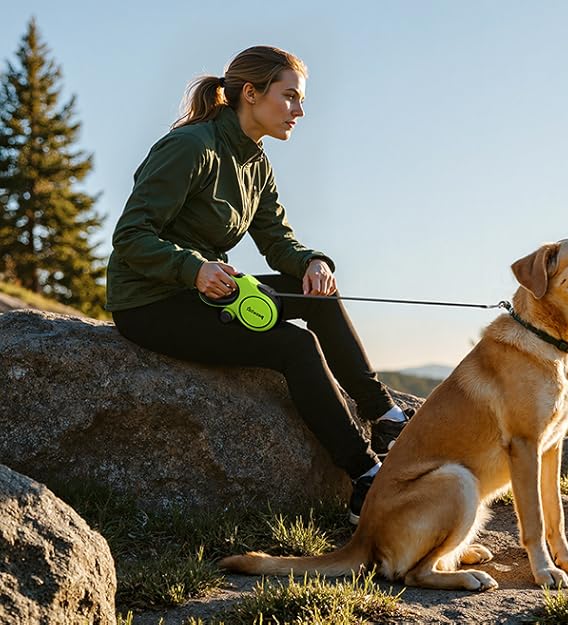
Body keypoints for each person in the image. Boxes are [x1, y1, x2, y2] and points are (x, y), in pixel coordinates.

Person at [106, 46, 406, 524]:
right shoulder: (191, 148)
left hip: (209, 291)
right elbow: (131, 237)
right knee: (295, 345)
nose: (300, 111)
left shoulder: (256, 162)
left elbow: (278, 240)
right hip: (152, 302)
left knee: (316, 294)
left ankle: (387, 419)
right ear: (251, 93)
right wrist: (194, 269)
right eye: (289, 97)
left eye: (300, 100)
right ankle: (366, 477)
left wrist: (313, 262)